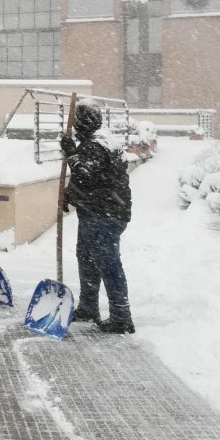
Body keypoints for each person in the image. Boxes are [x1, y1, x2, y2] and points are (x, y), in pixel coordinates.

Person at [60, 99, 135, 334]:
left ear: (85, 124)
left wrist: (71, 153)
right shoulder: (98, 142)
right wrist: (69, 195)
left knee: (107, 263)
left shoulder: (97, 145)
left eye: (78, 125)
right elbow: (90, 181)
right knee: (87, 259)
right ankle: (89, 307)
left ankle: (121, 317)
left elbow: (85, 174)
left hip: (106, 214)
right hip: (96, 212)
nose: (75, 129)